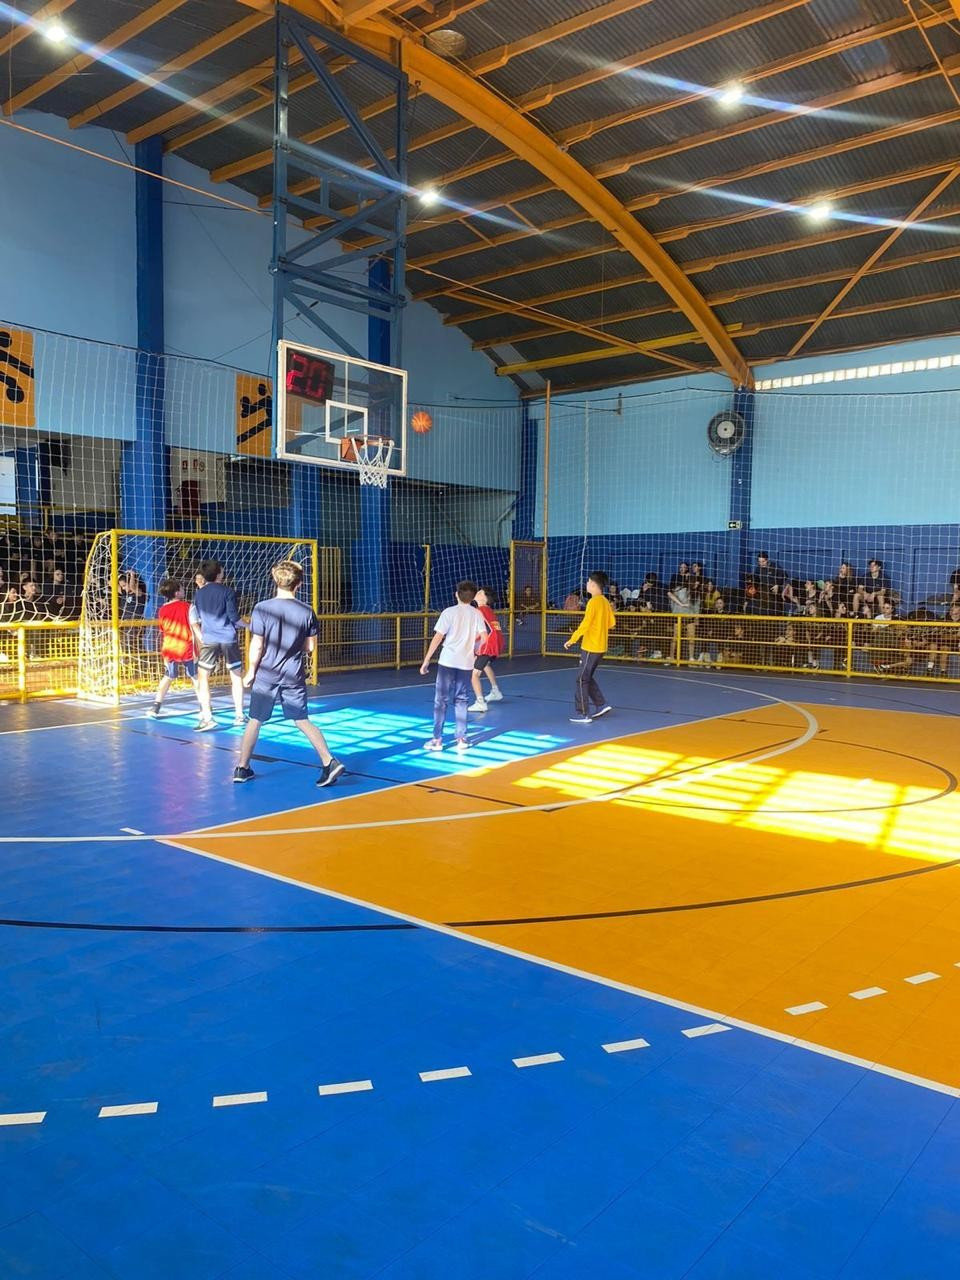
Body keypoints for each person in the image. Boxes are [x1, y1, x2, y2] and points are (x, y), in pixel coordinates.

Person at [234, 560, 343, 787]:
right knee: (301, 720)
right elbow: (310, 647)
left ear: (275, 580)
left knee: (255, 719)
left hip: (267, 673)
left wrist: (250, 672)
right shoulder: (306, 611)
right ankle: (329, 761)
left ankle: (242, 768)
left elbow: (257, 645)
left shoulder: (262, 608)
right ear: (299, 584)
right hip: (293, 673)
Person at [420, 580, 488, 752]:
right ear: (473, 597)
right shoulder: (477, 614)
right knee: (462, 699)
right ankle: (461, 739)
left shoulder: (448, 612)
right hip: (466, 663)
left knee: (440, 700)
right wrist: (475, 650)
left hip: (447, 661)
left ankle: (437, 740)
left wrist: (427, 660)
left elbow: (438, 637)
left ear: (456, 594)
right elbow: (485, 637)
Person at [189, 559, 245, 731]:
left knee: (203, 678)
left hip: (209, 639)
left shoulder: (199, 594)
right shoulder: (228, 591)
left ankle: (207, 717)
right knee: (236, 676)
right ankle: (239, 715)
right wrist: (250, 626)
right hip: (228, 638)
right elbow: (234, 617)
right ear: (219, 573)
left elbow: (198, 617)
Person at [564, 570, 616, 724]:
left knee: (581, 679)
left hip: (590, 647)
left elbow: (585, 624)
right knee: (587, 677)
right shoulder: (605, 601)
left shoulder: (593, 602)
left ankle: (583, 713)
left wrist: (572, 639)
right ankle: (601, 704)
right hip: (601, 646)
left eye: (587, 582)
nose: (586, 584)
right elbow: (611, 623)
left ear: (593, 584)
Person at [148, 579, 201, 719]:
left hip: (169, 648)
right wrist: (205, 643)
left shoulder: (162, 609)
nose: (184, 590)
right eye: (182, 588)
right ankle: (204, 706)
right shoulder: (189, 607)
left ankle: (156, 706)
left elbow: (163, 629)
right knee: (195, 676)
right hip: (186, 647)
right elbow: (196, 628)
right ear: (177, 593)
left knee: (168, 676)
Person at [469, 586, 504, 712]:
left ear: (485, 598)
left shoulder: (479, 611)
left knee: (474, 675)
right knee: (485, 665)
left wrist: (470, 642)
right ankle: (495, 691)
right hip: (496, 644)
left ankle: (480, 702)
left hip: (488, 645)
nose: (476, 593)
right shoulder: (487, 610)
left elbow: (485, 631)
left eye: (480, 592)